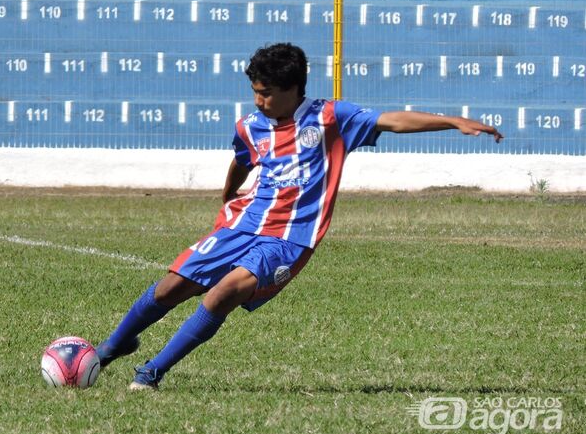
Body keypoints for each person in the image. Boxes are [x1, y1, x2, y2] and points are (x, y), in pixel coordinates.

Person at [95, 42, 503, 390]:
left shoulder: (330, 118)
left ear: (293, 89)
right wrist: (227, 195)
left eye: (267, 92)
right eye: (255, 91)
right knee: (170, 289)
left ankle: (151, 373)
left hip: (289, 238)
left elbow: (393, 120)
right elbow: (242, 161)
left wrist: (452, 121)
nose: (259, 100)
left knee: (224, 293)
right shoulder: (250, 125)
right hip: (241, 224)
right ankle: (112, 347)